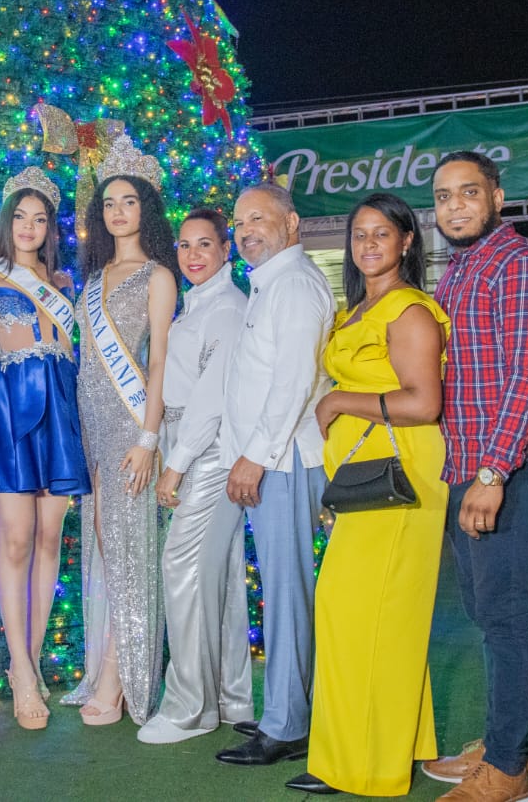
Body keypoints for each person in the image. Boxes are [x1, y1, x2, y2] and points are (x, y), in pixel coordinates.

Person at [284, 193, 449, 796]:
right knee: (377, 615)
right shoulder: (361, 307)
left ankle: (364, 766)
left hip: (401, 478)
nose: (369, 244)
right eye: (360, 234)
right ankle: (392, 746)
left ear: (408, 241)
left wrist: (339, 402)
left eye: (383, 233)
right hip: (366, 478)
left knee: (357, 610)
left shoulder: (407, 311)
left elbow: (423, 402)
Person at [420, 151, 528, 802]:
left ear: (497, 197)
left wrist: (492, 471)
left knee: (505, 614)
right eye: (444, 196)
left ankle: (508, 768)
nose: (454, 206)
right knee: (483, 609)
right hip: (463, 469)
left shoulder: (523, 264)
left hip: (510, 467)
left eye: (468, 192)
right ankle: (500, 740)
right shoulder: (458, 271)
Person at [0, 168, 90, 731]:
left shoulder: (64, 283)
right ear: (5, 220)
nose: (30, 227)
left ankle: (29, 665)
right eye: (20, 216)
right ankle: (19, 664)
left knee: (48, 540)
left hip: (60, 415)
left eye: (40, 219)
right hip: (10, 415)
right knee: (15, 541)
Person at [60, 136, 179, 726]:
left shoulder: (158, 276)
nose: (117, 212)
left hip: (132, 429)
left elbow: (158, 362)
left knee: (130, 549)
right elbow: (84, 362)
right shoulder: (91, 277)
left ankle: (123, 676)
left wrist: (148, 439)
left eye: (128, 201)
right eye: (109, 203)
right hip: (92, 429)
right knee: (106, 551)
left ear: (145, 209)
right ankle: (107, 664)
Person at [216, 182, 333, 767]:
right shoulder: (270, 283)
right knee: (283, 593)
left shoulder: (294, 284)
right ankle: (282, 714)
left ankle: (288, 725)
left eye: (258, 218)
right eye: (240, 222)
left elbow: (291, 384)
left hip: (283, 463)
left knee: (288, 594)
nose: (246, 231)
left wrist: (254, 457)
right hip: (271, 462)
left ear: (292, 224)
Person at [137, 207, 253, 745]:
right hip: (194, 446)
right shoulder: (198, 305)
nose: (193, 255)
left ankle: (190, 707)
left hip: (207, 453)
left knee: (180, 568)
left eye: (204, 244)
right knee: (217, 573)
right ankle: (230, 697)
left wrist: (175, 465)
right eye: (184, 245)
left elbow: (209, 400)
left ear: (226, 249)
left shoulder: (227, 308)